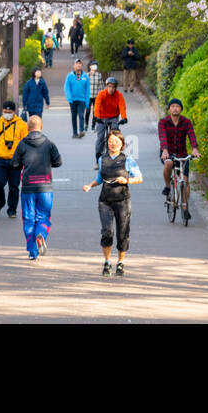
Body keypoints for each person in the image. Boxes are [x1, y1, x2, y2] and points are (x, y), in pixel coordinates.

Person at [83, 127, 143, 276]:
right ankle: (107, 262)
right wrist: (90, 185)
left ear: (122, 144)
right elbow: (99, 178)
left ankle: (121, 262)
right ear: (107, 143)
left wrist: (127, 180)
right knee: (107, 232)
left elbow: (140, 178)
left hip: (122, 200)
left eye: (116, 141)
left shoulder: (128, 160)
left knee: (123, 232)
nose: (113, 144)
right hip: (105, 200)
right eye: (110, 141)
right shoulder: (102, 159)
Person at [11, 114, 62, 260]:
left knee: (28, 219)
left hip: (28, 187)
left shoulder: (22, 144)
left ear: (28, 128)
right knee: (43, 217)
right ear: (41, 127)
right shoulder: (49, 143)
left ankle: (33, 252)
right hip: (45, 187)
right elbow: (58, 162)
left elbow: (14, 164)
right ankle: (41, 234)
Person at [158, 97, 200, 212]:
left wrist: (194, 149)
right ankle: (167, 186)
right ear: (169, 109)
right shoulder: (163, 122)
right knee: (168, 163)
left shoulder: (186, 122)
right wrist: (165, 150)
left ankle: (185, 207)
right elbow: (163, 137)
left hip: (182, 154)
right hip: (167, 152)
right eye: (172, 106)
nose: (175, 109)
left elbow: (191, 135)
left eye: (177, 106)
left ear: (181, 109)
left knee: (185, 180)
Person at [0, 100, 27, 217]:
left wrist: (22, 158)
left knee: (14, 187)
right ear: (2, 111)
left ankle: (12, 210)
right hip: (0, 159)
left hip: (16, 161)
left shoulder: (22, 125)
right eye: (5, 112)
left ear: (14, 112)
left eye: (9, 112)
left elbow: (25, 143)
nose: (7, 114)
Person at [90, 75, 128, 167]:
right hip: (102, 117)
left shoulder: (119, 95)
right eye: (109, 87)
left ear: (115, 88)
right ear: (106, 87)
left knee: (115, 135)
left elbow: (122, 106)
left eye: (113, 87)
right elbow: (97, 106)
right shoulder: (101, 94)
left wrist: (124, 117)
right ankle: (97, 160)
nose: (111, 89)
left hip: (113, 117)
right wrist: (96, 117)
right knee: (100, 138)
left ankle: (114, 156)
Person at [64, 59, 90, 138]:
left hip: (82, 100)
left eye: (80, 64)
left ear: (82, 66)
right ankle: (75, 133)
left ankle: (81, 131)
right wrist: (69, 98)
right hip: (73, 100)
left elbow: (87, 89)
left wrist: (87, 102)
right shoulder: (70, 76)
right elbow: (66, 88)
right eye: (77, 64)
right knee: (74, 116)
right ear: (74, 66)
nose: (78, 65)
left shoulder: (85, 76)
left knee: (81, 115)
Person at [86, 60, 101, 131]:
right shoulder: (86, 75)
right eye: (94, 65)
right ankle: (86, 124)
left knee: (95, 112)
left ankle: (93, 126)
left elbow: (101, 86)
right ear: (90, 67)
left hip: (96, 96)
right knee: (88, 111)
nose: (95, 66)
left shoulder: (99, 75)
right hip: (88, 96)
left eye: (96, 65)